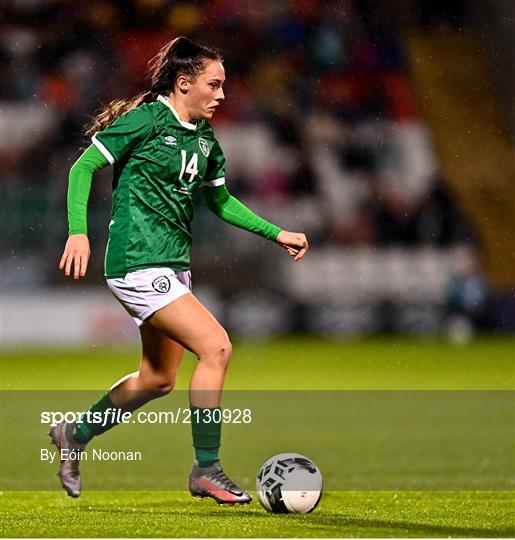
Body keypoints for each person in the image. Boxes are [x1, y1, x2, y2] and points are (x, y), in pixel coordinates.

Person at [50, 37, 309, 505]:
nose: (223, 95)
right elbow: (82, 168)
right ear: (184, 83)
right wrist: (77, 231)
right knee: (217, 347)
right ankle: (206, 469)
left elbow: (222, 202)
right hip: (136, 260)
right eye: (214, 84)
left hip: (171, 265)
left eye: (224, 85)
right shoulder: (146, 121)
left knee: (158, 379)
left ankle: (74, 433)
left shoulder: (205, 140)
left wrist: (276, 233)